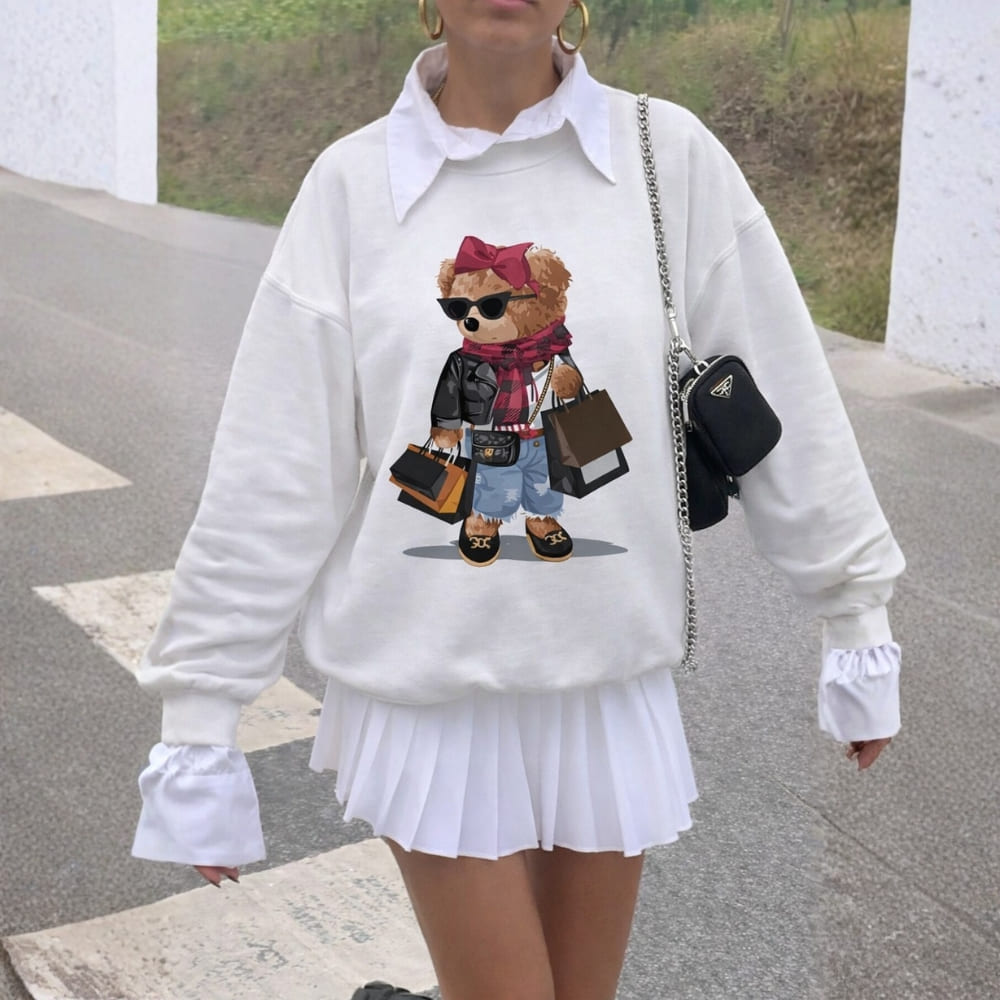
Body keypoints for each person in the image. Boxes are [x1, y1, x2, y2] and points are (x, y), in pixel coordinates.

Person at [131, 2, 905, 998]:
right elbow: (275, 466)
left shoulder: (665, 157)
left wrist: (853, 609)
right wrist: (200, 715)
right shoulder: (351, 187)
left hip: (607, 681)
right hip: (427, 691)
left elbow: (779, 386)